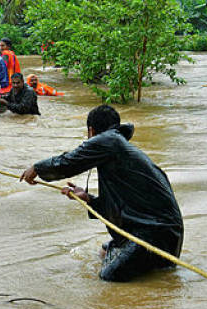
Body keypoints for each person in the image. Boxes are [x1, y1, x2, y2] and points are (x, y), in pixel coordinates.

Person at [20, 105, 183, 282]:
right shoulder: (117, 149)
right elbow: (122, 208)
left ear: (91, 130)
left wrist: (37, 168)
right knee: (104, 251)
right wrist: (88, 198)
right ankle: (159, 277)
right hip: (165, 235)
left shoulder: (109, 141)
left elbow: (69, 162)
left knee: (109, 276)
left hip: (156, 235)